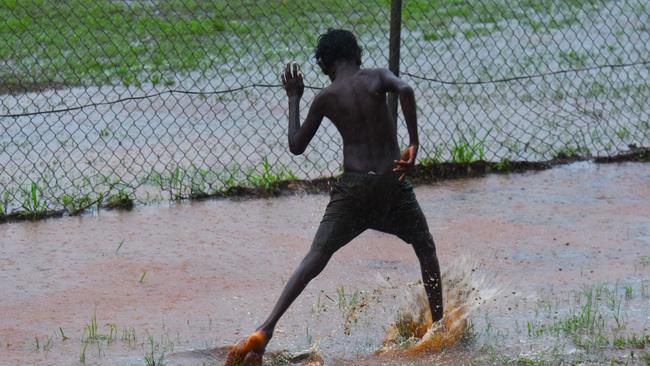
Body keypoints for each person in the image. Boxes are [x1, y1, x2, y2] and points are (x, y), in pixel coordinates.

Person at [225, 29, 442, 365]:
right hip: (390, 184)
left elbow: (296, 145)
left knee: (316, 256)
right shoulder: (376, 77)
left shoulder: (325, 96)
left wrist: (294, 97)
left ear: (326, 67)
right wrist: (413, 143)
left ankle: (265, 329)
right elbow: (406, 89)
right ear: (357, 55)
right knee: (424, 246)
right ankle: (439, 328)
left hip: (352, 189)